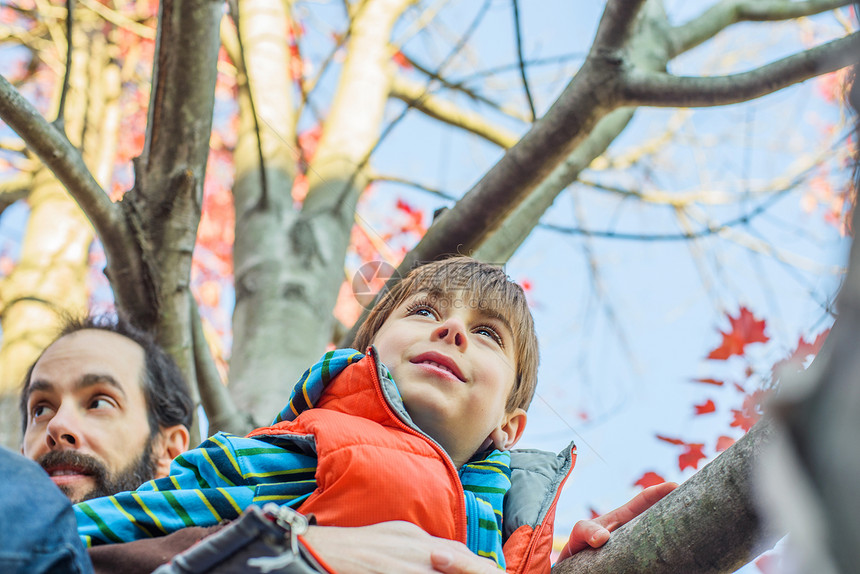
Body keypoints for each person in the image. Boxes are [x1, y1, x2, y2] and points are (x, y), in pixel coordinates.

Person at [73, 257, 673, 573]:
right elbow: (87, 535)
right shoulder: (287, 451)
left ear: (509, 427)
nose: (452, 328)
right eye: (422, 311)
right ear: (367, 354)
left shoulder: (514, 541)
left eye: (487, 332)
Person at [19, 315, 194, 503]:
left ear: (168, 451)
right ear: (22, 455)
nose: (57, 425)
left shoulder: (228, 531)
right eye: (41, 410)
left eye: (98, 403)